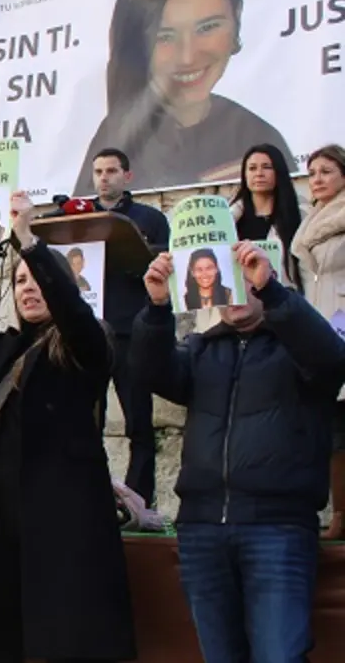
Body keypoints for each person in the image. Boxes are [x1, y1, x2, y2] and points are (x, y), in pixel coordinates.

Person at [0, 193, 136, 663]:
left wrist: (28, 242)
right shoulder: (4, 349)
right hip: (1, 520)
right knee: (6, 639)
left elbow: (74, 313)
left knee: (65, 639)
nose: (27, 288)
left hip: (62, 521)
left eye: (36, 280)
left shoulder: (86, 347)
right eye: (19, 280)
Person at [133, 241, 345, 662]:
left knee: (278, 655)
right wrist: (156, 308)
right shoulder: (201, 348)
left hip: (276, 529)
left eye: (243, 280)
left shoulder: (298, 347)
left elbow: (331, 361)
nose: (232, 291)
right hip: (202, 530)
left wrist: (274, 292)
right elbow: (148, 371)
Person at [74, 0, 294, 193]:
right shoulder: (117, 137)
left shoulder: (258, 136)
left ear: (237, 16)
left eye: (207, 27)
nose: (188, 56)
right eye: (165, 36)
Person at [85, 148, 170, 506]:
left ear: (127, 176)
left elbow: (163, 261)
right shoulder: (78, 217)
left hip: (130, 333)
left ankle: (140, 501)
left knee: (139, 421)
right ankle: (91, 497)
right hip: (88, 334)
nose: (104, 178)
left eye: (111, 171)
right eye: (98, 172)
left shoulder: (148, 218)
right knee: (87, 424)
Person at [289, 143, 345, 539]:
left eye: (326, 171)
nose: (318, 179)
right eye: (313, 173)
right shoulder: (310, 221)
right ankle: (338, 512)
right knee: (331, 425)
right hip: (322, 318)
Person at [230, 143, 305, 289]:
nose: (259, 173)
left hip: (282, 300)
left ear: (279, 171)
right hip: (239, 304)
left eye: (267, 167)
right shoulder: (228, 219)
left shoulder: (299, 216)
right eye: (252, 168)